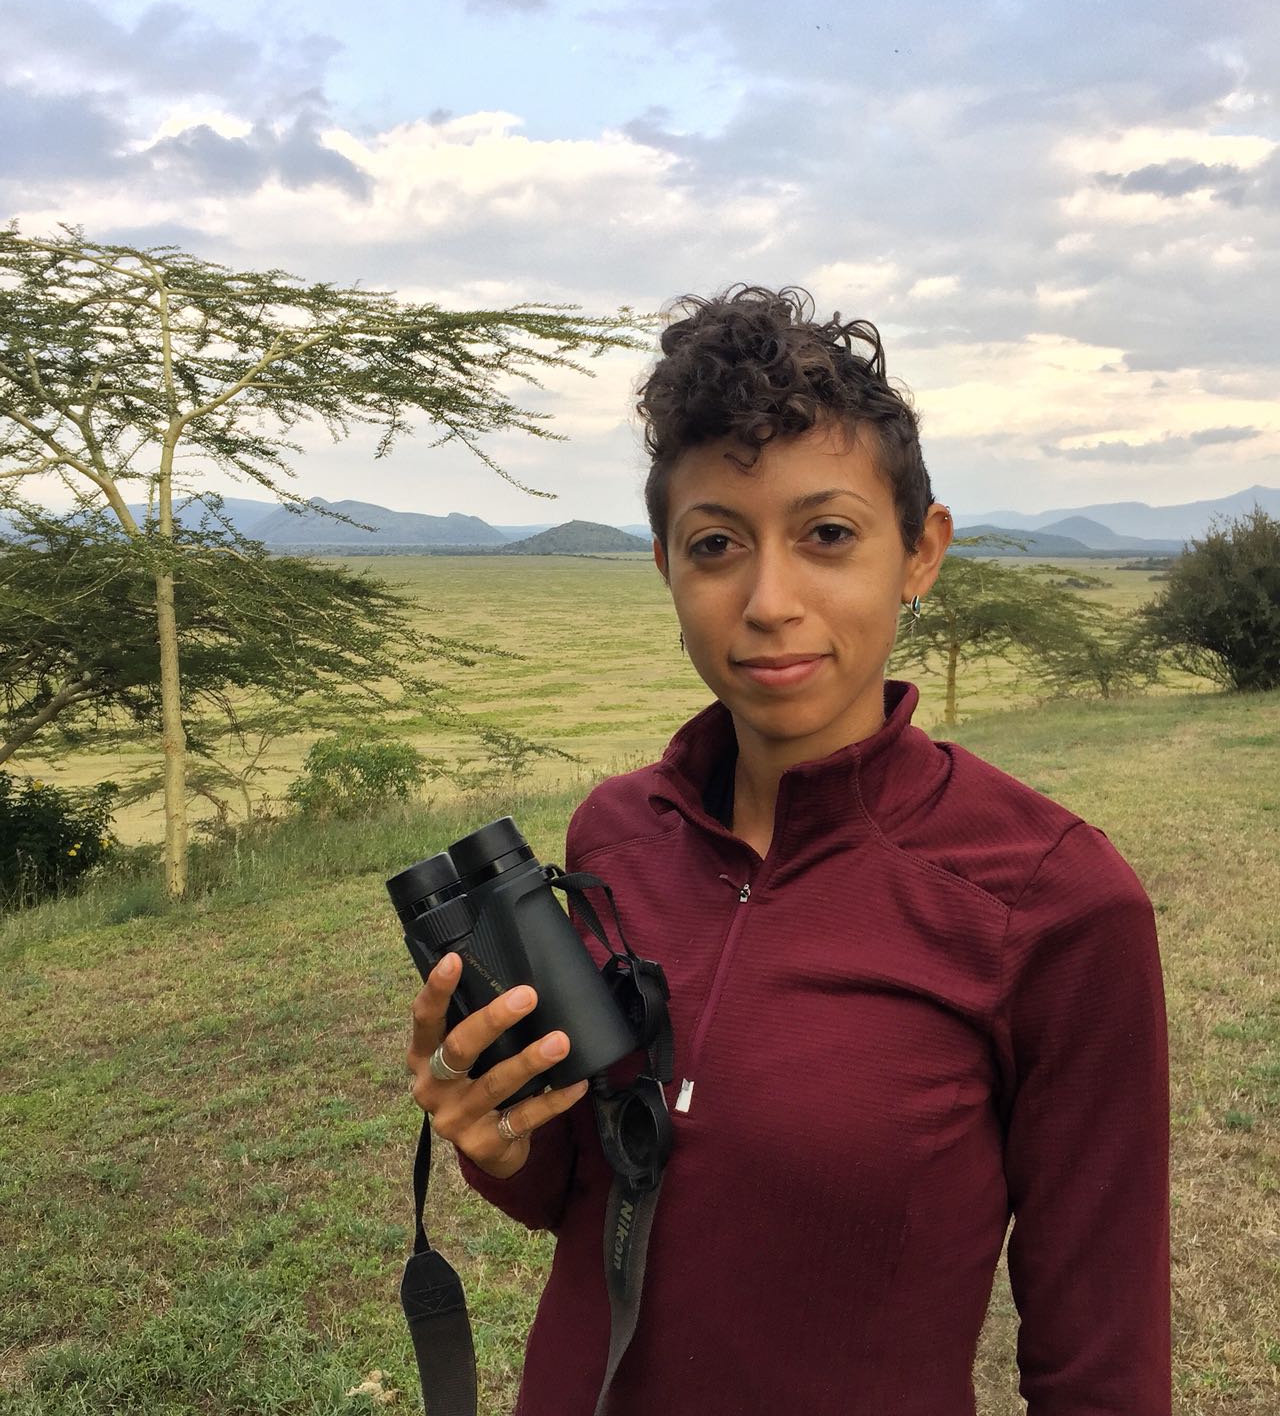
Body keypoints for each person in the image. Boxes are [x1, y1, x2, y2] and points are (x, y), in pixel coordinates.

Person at [407, 286, 1171, 1415]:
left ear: (918, 553)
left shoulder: (1050, 901)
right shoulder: (614, 833)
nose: (768, 601)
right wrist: (500, 1139)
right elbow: (596, 1187)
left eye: (825, 535)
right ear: (666, 565)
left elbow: (1099, 1365)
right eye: (715, 543)